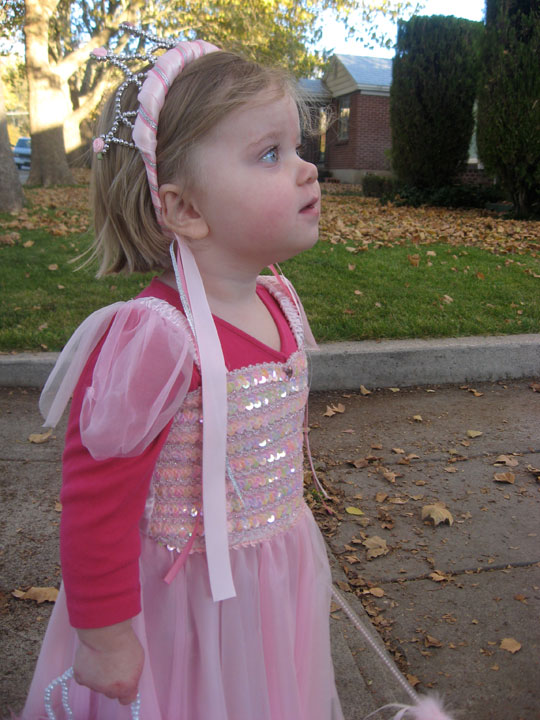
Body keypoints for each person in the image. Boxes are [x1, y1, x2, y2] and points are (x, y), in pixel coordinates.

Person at [20, 27, 344, 720]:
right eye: (270, 154)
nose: (307, 170)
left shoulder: (277, 300)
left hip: (269, 575)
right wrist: (105, 635)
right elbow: (96, 496)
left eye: (298, 149)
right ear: (186, 209)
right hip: (182, 603)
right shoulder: (159, 338)